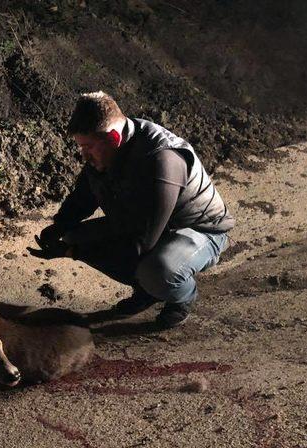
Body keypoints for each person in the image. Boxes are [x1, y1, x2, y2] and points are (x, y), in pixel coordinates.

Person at [28, 91, 234, 328]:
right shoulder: (105, 152)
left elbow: (139, 244)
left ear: (114, 138)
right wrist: (59, 226)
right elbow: (84, 197)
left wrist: (73, 253)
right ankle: (147, 292)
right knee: (75, 235)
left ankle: (180, 297)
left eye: (88, 147)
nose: (83, 154)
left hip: (200, 230)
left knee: (158, 271)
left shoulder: (162, 160)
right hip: (146, 224)